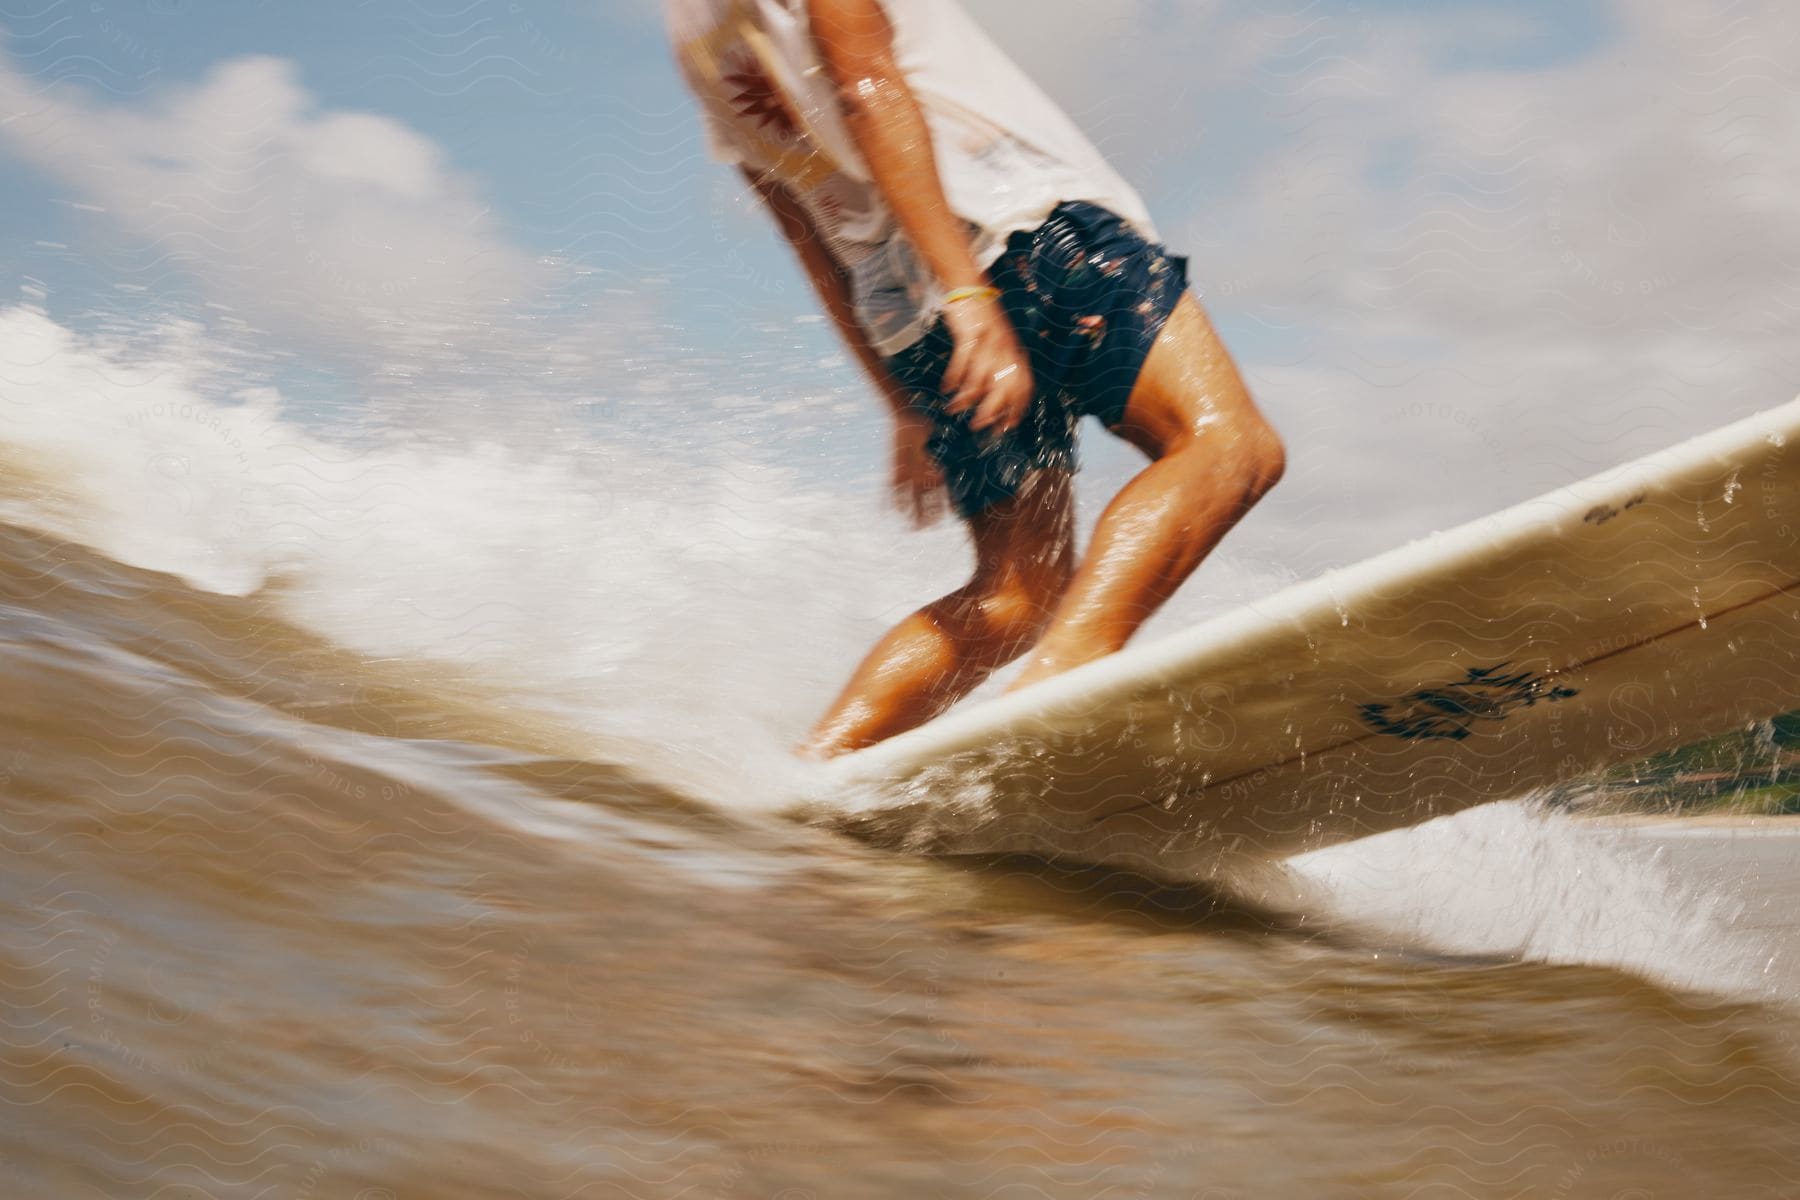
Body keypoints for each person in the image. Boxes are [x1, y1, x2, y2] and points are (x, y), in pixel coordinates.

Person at [665, 0, 1286, 758]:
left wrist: (903, 405)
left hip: (905, 319)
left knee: (1017, 594)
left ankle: (816, 773)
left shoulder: (692, 36)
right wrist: (967, 294)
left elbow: (808, 236)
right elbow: (863, 84)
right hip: (1017, 230)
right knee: (1229, 446)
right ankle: (1059, 693)